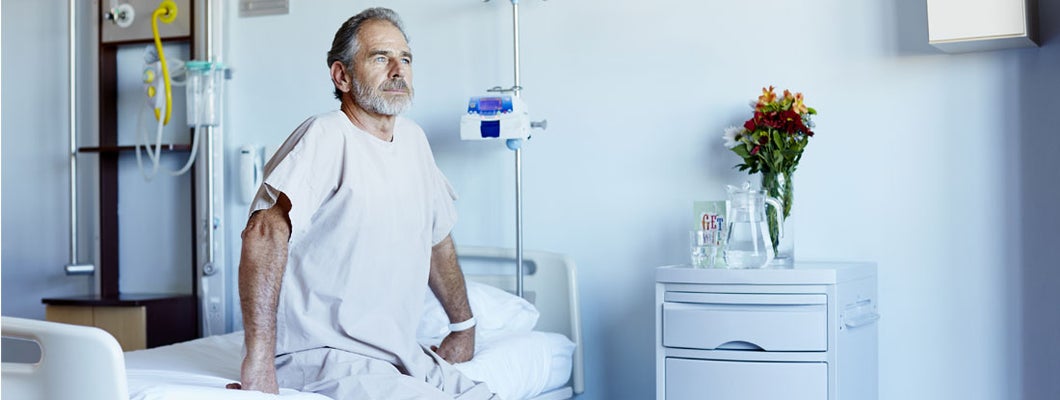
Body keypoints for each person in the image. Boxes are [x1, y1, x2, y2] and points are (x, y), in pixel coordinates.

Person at [227, 7, 496, 400]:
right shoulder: (326, 135)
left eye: (405, 59)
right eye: (381, 58)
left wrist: (463, 326)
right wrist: (259, 362)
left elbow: (436, 239)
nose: (398, 70)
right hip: (322, 354)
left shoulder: (414, 141)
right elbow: (263, 234)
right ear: (342, 76)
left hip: (398, 354)